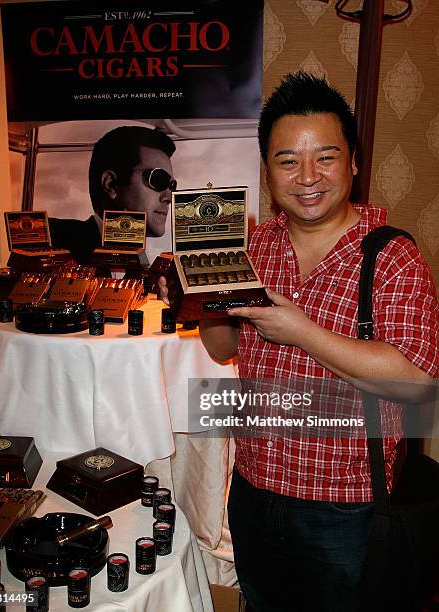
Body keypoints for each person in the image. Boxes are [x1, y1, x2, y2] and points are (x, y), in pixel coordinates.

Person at [159, 71, 439, 611]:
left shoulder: (391, 256)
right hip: (254, 490)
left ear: (353, 163)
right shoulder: (254, 246)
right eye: (288, 160)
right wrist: (198, 300)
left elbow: (418, 381)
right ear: (268, 172)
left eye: (325, 157)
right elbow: (222, 348)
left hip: (345, 508)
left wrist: (302, 332)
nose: (307, 176)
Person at [49, 125, 176, 264]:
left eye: (172, 186)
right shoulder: (51, 240)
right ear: (111, 185)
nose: (168, 197)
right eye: (158, 179)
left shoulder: (150, 266)